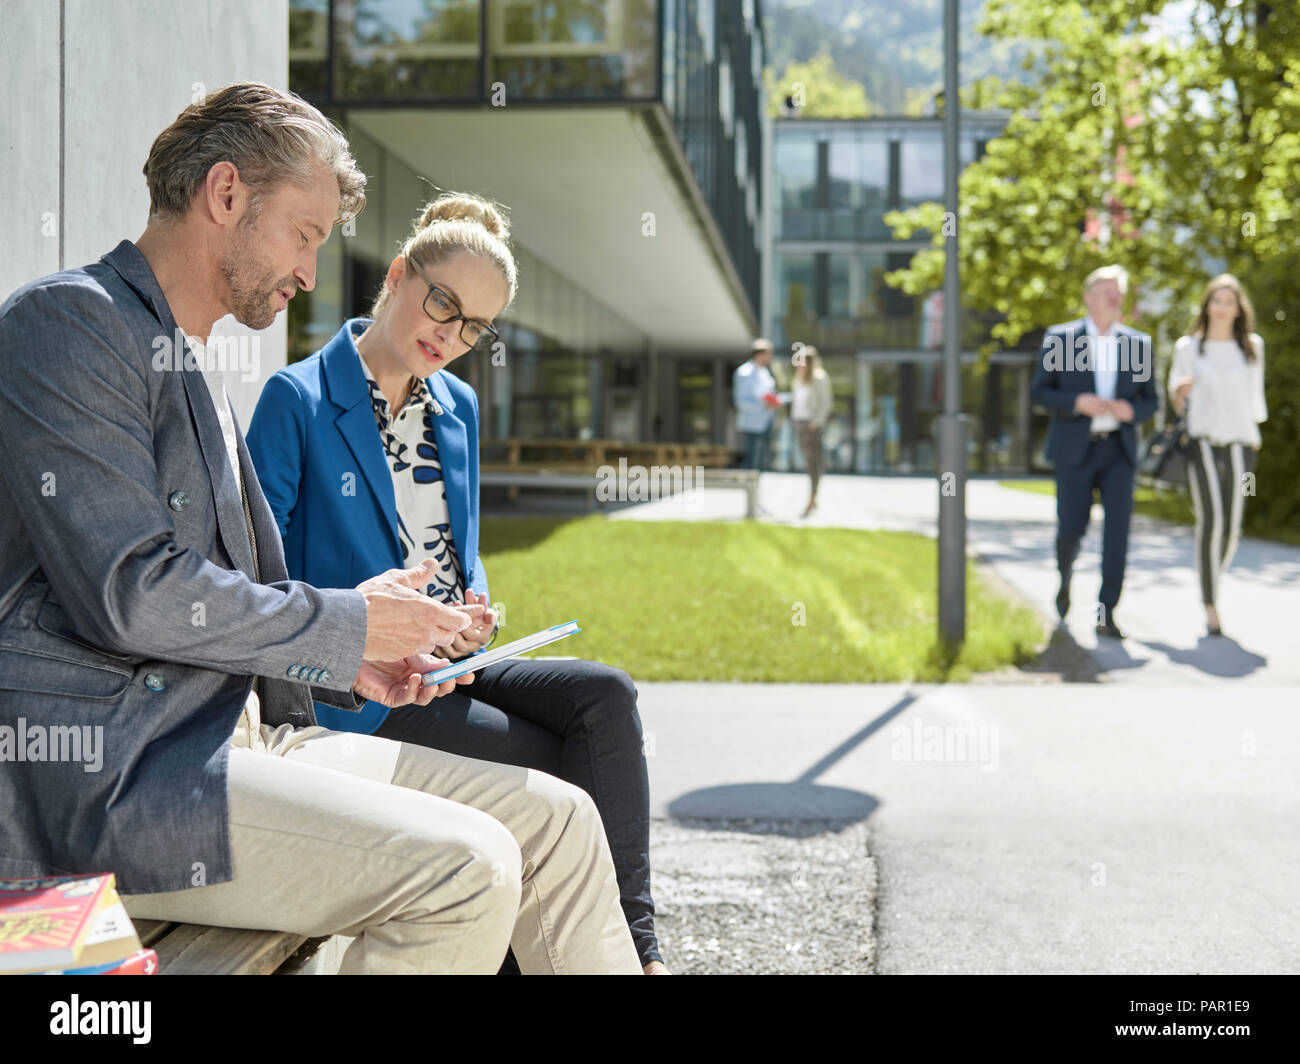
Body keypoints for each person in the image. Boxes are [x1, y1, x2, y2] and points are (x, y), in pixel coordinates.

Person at [0, 83, 640, 974]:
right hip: (122, 779)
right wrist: (345, 626)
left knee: (561, 818)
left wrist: (356, 650)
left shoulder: (190, 368)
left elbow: (236, 601)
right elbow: (130, 590)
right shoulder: (70, 325)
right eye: (303, 234)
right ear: (226, 195)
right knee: (467, 868)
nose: (308, 273)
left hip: (246, 738)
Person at [246, 191, 668, 974]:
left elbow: (457, 553)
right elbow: (255, 581)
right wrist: (367, 618)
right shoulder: (297, 400)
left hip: (448, 667)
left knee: (604, 695)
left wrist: (476, 614)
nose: (452, 333)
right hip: (360, 688)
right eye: (443, 303)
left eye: (474, 325)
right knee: (550, 763)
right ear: (400, 275)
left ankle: (641, 954)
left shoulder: (459, 406)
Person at [1030, 265, 1158, 640]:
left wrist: (1133, 411)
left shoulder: (1138, 344)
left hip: (1118, 450)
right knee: (1071, 527)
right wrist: (1077, 402)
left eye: (1118, 290)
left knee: (1117, 534)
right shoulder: (1061, 339)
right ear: (1088, 296)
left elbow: (1151, 401)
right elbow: (1040, 393)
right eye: (1106, 290)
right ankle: (1065, 580)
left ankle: (1106, 613)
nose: (1113, 296)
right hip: (1075, 451)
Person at [1168, 274, 1267, 638]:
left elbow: (1256, 402)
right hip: (1203, 441)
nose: (1223, 308)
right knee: (1212, 521)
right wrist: (1180, 392)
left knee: (1233, 527)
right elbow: (1176, 398)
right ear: (1207, 306)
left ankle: (1211, 575)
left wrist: (1254, 438)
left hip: (1242, 443)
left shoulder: (1252, 347)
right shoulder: (1188, 348)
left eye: (1230, 301)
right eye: (1217, 301)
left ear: (1239, 308)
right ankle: (1210, 605)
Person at [790, 344, 833, 516]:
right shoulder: (798, 379)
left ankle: (813, 497)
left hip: (811, 426)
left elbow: (826, 403)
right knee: (809, 462)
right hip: (800, 424)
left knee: (813, 462)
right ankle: (813, 497)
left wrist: (816, 421)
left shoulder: (819, 377)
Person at [733, 338, 780, 471]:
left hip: (766, 423)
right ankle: (749, 491)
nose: (771, 357)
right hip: (752, 425)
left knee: (760, 464)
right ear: (760, 354)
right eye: (769, 354)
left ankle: (756, 490)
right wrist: (764, 406)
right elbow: (741, 402)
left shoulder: (765, 373)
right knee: (751, 463)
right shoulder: (745, 373)